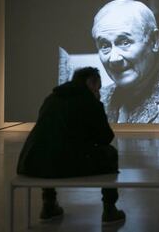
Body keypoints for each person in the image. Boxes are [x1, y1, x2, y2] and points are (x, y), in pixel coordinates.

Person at [16, 67, 125, 225]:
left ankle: (48, 205)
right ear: (91, 83)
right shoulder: (89, 101)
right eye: (98, 87)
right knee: (110, 153)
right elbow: (106, 138)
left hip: (30, 162)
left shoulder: (51, 98)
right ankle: (110, 209)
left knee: (50, 150)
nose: (99, 92)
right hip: (62, 165)